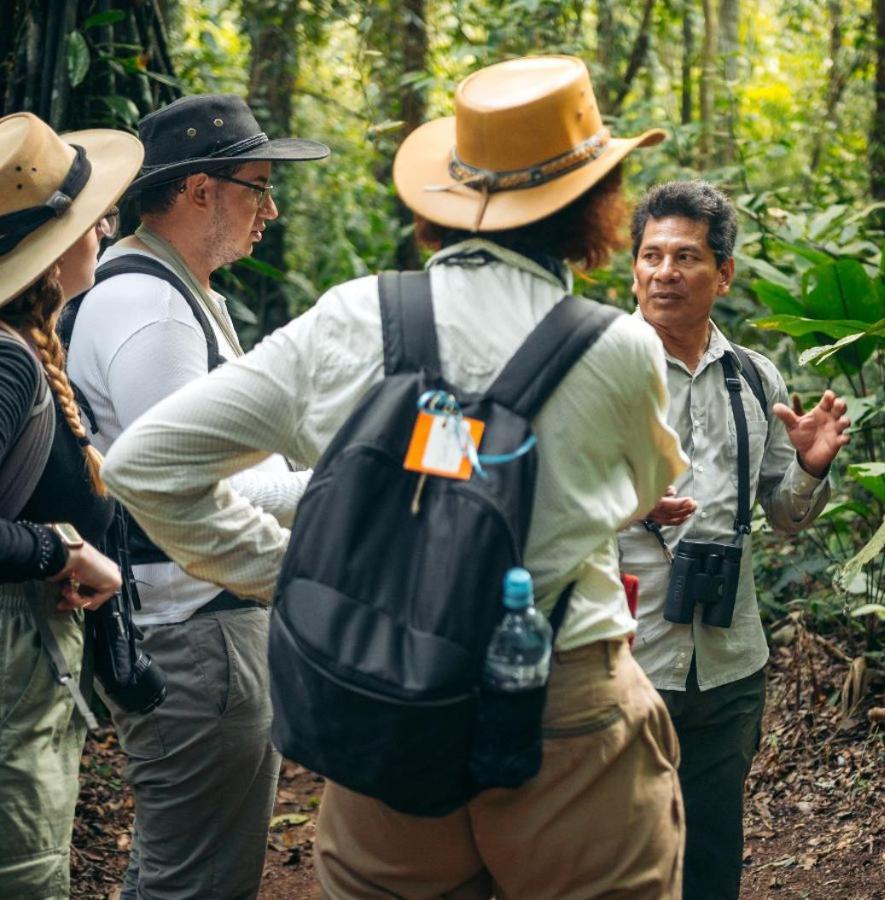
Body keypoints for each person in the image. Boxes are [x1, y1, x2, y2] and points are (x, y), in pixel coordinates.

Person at [102, 55, 689, 898]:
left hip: (388, 702)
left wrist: (284, 575)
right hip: (565, 700)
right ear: (595, 204)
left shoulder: (350, 318)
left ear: (449, 195)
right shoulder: (618, 344)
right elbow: (636, 495)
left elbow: (144, 465)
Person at [63, 94, 328, 899]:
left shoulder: (175, 292)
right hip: (194, 632)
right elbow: (185, 484)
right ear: (199, 190)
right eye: (257, 185)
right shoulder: (152, 309)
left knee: (179, 867)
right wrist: (345, 487)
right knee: (200, 882)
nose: (270, 209)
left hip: (196, 625)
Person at [620, 180, 852, 900]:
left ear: (723, 274)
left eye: (685, 256)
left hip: (726, 664)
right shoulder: (594, 368)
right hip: (617, 661)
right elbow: (533, 503)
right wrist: (625, 507)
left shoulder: (755, 376)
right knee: (615, 857)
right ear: (633, 267)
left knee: (713, 855)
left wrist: (811, 470)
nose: (664, 272)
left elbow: (783, 515)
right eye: (651, 255)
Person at [0, 112, 141, 897]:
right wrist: (62, 552)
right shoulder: (8, 361)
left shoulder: (25, 344)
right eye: (96, 222)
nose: (104, 233)